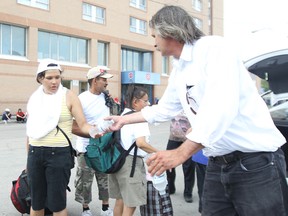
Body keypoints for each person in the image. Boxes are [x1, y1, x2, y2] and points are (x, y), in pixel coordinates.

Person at [106, 5, 288, 216]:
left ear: (169, 32)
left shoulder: (214, 49)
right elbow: (164, 109)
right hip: (218, 163)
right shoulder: (180, 67)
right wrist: (123, 120)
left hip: (255, 164)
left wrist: (180, 153)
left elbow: (220, 109)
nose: (154, 43)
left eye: (155, 36)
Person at [26, 59, 103, 216]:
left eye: (57, 77)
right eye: (49, 78)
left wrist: (97, 130)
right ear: (40, 78)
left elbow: (82, 124)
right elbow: (30, 130)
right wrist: (28, 158)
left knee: (57, 204)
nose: (54, 81)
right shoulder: (34, 98)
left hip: (59, 155)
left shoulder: (68, 96)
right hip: (35, 154)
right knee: (36, 203)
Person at [109, 85, 158, 216]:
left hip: (118, 161)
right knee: (131, 204)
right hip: (131, 165)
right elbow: (141, 143)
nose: (148, 104)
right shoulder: (139, 118)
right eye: (146, 101)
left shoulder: (122, 115)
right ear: (135, 102)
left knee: (120, 200)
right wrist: (158, 153)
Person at [72, 66, 114, 216]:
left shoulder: (106, 97)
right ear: (94, 80)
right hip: (86, 149)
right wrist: (94, 134)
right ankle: (86, 209)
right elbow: (74, 127)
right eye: (104, 80)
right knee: (85, 181)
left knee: (104, 178)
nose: (106, 83)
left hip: (104, 148)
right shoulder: (82, 99)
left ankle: (105, 208)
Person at [166, 112, 195, 203]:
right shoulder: (174, 105)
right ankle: (170, 188)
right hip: (173, 138)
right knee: (168, 164)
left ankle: (188, 193)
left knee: (188, 167)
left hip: (188, 139)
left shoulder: (191, 103)